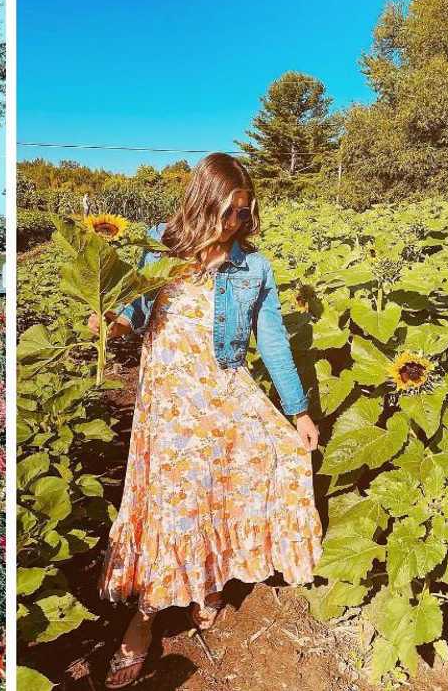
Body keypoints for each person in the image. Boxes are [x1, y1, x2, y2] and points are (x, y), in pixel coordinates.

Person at [89, 153, 323, 688]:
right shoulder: (158, 249)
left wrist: (300, 412)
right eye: (227, 211)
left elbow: (273, 342)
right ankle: (142, 623)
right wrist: (106, 321)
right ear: (203, 202)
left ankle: (209, 582)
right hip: (170, 405)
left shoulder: (252, 268)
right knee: (172, 503)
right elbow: (133, 318)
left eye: (243, 213)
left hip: (223, 393)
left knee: (242, 477)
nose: (234, 223)